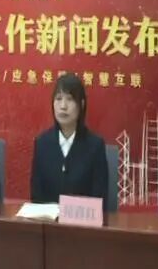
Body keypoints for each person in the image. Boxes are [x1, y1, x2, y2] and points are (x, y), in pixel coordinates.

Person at [30, 73, 109, 210]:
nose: (63, 106)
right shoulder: (42, 143)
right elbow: (36, 196)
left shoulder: (95, 146)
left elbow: (99, 199)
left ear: (81, 104)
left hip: (83, 221)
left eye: (70, 99)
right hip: (48, 222)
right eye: (58, 99)